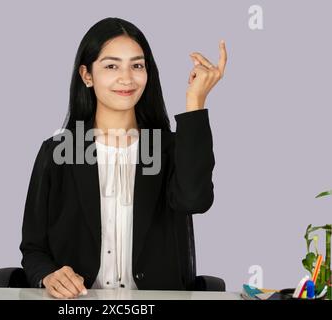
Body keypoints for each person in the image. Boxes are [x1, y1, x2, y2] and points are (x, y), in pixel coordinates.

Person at [20, 17, 227, 299]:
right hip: (78, 303)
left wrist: (195, 103)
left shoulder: (167, 147)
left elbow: (195, 200)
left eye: (137, 65)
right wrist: (48, 275)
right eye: (111, 66)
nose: (127, 78)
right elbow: (33, 248)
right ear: (87, 75)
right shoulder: (58, 152)